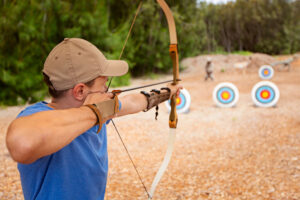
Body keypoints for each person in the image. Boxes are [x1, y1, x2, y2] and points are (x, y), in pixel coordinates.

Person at [6, 38, 182, 200]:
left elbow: (132, 101)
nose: (107, 89)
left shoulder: (98, 110)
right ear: (80, 91)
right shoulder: (38, 116)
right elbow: (22, 143)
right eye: (103, 84)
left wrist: (167, 92)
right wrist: (92, 112)